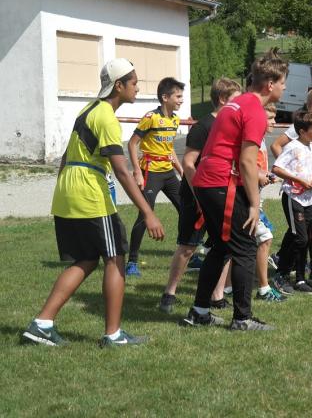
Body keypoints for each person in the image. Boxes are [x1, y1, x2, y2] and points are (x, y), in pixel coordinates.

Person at [22, 58, 165, 347]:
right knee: (115, 257)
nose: (137, 87)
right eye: (134, 82)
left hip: (68, 191)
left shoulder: (87, 110)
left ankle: (42, 324)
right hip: (89, 193)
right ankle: (113, 335)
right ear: (119, 85)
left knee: (87, 259)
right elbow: (122, 170)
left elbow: (65, 158)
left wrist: (66, 192)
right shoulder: (106, 116)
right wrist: (148, 212)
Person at [183, 49, 288, 331]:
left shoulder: (237, 103)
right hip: (222, 183)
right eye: (283, 82)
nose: (285, 87)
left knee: (221, 247)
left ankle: (199, 311)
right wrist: (254, 204)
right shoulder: (253, 110)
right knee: (244, 247)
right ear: (270, 84)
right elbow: (246, 160)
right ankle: (242, 318)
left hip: (208, 181)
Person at [159, 78, 241, 314]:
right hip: (196, 196)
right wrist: (199, 194)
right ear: (223, 100)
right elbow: (188, 162)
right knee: (188, 246)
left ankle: (216, 294)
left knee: (224, 245)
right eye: (235, 100)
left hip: (221, 195)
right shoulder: (203, 126)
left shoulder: (232, 126)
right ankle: (170, 292)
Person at [270, 88, 312, 283]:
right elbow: (277, 145)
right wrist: (295, 173)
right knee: (300, 231)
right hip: (300, 186)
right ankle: (284, 263)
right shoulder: (303, 126)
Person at [125, 77, 185, 277]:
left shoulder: (174, 120)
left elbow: (169, 150)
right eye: (178, 96)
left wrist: (181, 170)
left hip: (168, 172)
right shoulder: (151, 117)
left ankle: (189, 252)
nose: (181, 100)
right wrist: (136, 171)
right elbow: (132, 144)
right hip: (150, 172)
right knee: (145, 214)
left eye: (182, 96)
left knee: (186, 209)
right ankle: (132, 262)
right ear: (165, 97)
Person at [271, 113, 312, 295]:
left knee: (305, 239)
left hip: (308, 198)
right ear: (302, 131)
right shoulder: (293, 147)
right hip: (292, 197)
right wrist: (299, 180)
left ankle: (301, 279)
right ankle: (281, 275)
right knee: (299, 238)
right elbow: (277, 168)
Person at [253, 102, 286, 302]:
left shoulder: (261, 139)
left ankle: (226, 288)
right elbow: (243, 166)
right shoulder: (253, 140)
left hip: (256, 199)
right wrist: (262, 176)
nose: (274, 122)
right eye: (270, 118)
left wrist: (266, 176)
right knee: (265, 237)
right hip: (248, 201)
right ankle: (263, 289)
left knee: (238, 247)